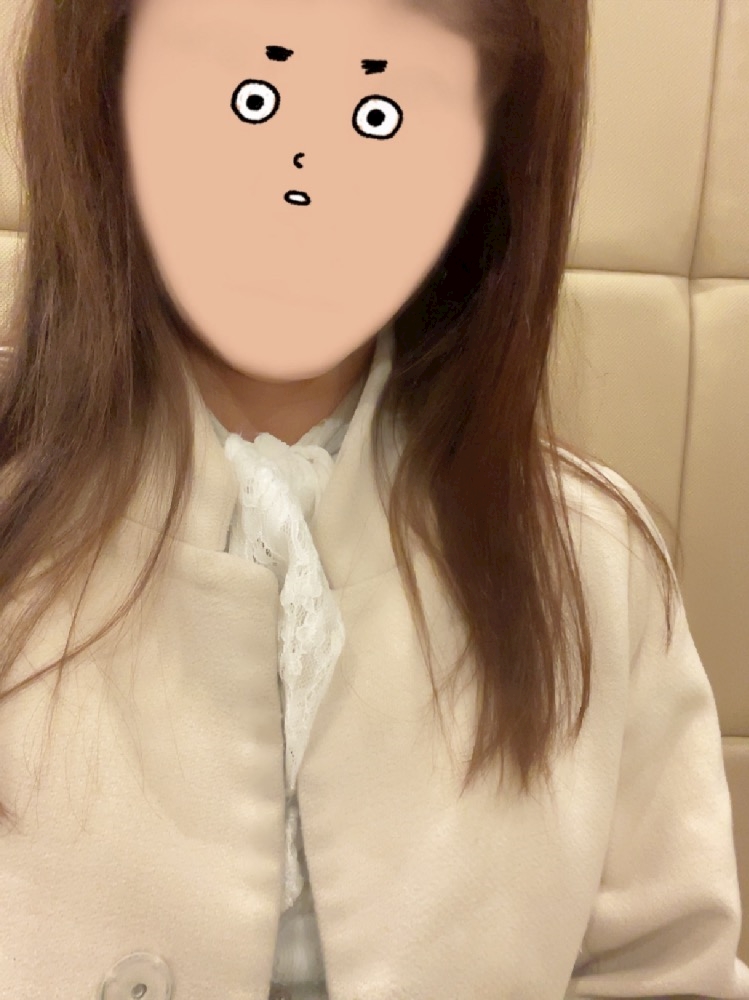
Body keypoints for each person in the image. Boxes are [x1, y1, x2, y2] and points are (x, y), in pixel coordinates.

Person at [0, 0, 747, 998]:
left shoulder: (592, 563)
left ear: (491, 142)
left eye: (378, 112)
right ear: (105, 85)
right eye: (251, 94)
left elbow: (665, 969)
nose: (300, 177)